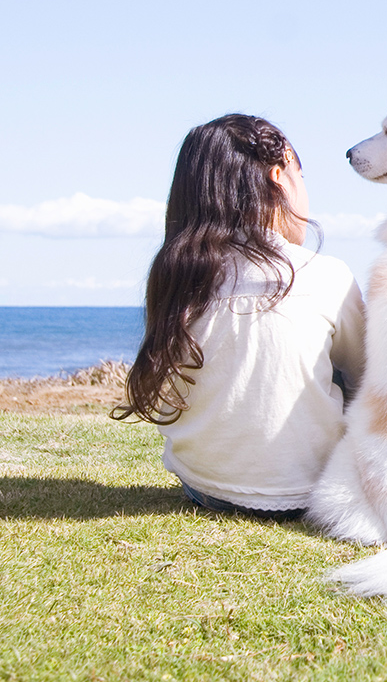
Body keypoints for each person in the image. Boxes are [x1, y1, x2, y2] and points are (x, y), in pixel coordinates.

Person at [113, 114, 365, 520]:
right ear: (279, 174)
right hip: (310, 491)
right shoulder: (325, 274)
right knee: (346, 367)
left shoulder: (177, 276)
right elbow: (367, 377)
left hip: (203, 487)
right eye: (301, 177)